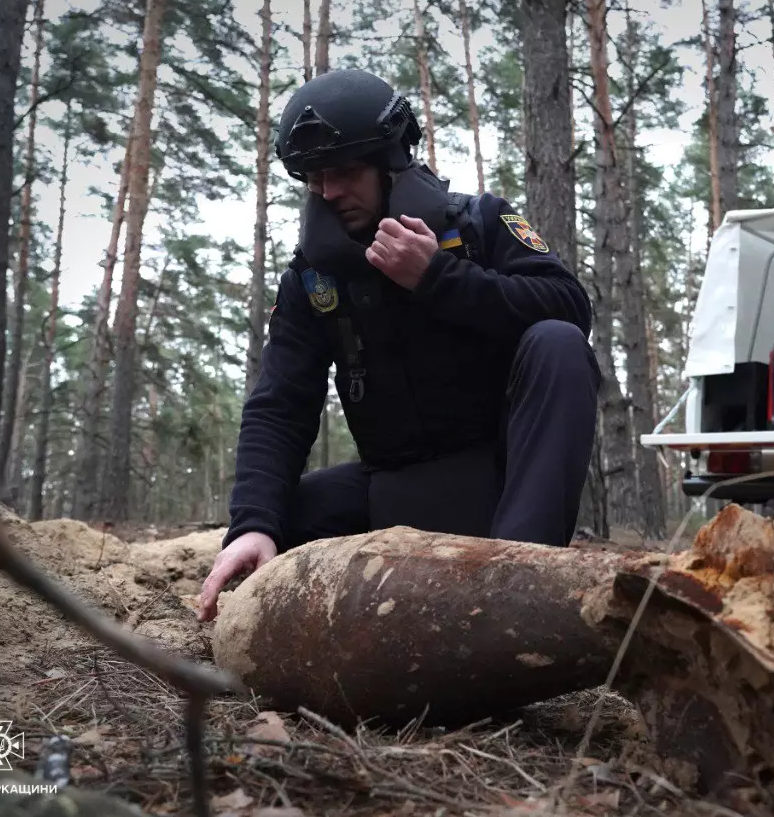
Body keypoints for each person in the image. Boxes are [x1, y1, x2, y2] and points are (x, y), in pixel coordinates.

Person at [197, 69, 600, 622]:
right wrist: (253, 525)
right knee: (272, 520)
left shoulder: (479, 224)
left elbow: (571, 307)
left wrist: (438, 278)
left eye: (344, 171)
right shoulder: (313, 281)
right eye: (314, 177)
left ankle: (520, 590)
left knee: (557, 341)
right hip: (393, 492)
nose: (329, 192)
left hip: (506, 488)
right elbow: (279, 407)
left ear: (393, 160)